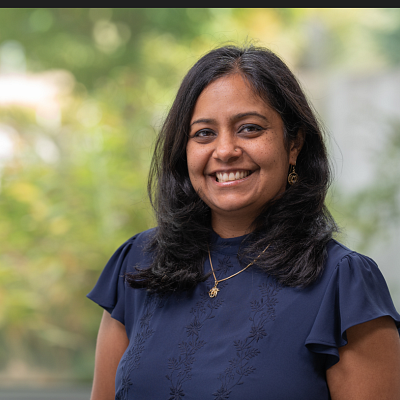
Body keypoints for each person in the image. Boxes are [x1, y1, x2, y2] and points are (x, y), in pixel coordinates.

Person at [87, 45, 400, 400]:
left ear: (293, 143)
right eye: (204, 133)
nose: (225, 150)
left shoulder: (344, 284)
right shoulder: (139, 263)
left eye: (249, 129)